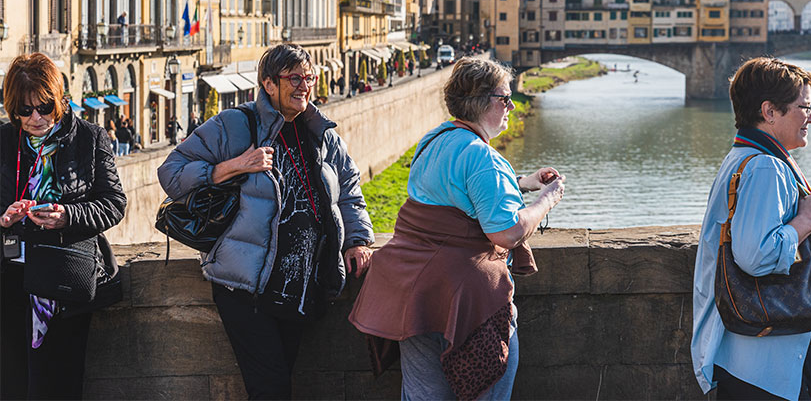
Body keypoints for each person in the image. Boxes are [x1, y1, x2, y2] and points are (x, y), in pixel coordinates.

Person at [157, 43, 374, 399]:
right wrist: (234, 165)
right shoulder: (234, 125)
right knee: (271, 388)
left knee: (279, 383)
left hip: (301, 284)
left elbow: (349, 190)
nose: (303, 85)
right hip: (247, 287)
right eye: (293, 78)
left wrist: (359, 241)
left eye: (308, 77)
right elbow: (171, 173)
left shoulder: (322, 133)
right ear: (268, 84)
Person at [349, 57, 566, 400]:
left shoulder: (433, 140)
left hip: (416, 295)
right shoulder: (483, 157)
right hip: (468, 302)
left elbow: (454, 193)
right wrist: (547, 200)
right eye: (504, 98)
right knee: (487, 387)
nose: (511, 105)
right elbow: (507, 233)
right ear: (481, 103)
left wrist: (521, 183)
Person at [691, 57, 811, 401]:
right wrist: (808, 219)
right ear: (769, 111)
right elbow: (756, 256)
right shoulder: (765, 167)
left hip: (748, 356)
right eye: (804, 107)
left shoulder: (742, 156)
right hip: (764, 366)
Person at [0, 53, 127, 399]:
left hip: (65, 282)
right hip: (11, 283)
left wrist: (67, 216)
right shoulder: (4, 141)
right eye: (25, 111)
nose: (36, 118)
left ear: (59, 99)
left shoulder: (90, 138)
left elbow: (114, 204)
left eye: (44, 106)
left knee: (59, 385)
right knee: (12, 384)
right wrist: (4, 218)